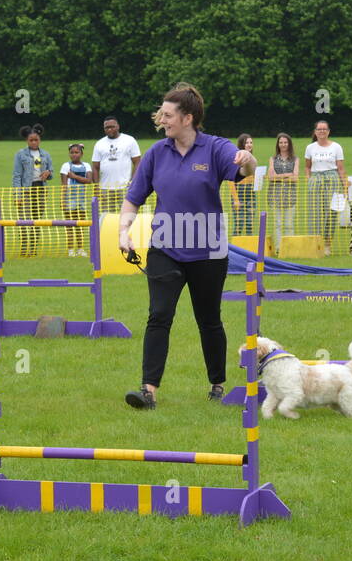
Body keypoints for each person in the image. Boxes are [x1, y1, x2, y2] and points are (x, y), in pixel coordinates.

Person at [118, 83, 256, 410]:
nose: (161, 120)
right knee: (159, 314)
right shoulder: (155, 153)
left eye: (168, 115)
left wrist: (248, 159)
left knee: (208, 318)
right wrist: (123, 231)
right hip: (165, 246)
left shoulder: (215, 148)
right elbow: (133, 198)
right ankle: (148, 390)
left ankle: (218, 384)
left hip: (208, 249)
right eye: (162, 114)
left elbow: (244, 170)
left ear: (188, 118)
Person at [304, 120, 346, 256]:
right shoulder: (310, 147)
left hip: (332, 179)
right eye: (319, 129)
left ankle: (327, 244)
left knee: (331, 212)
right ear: (315, 132)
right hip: (315, 179)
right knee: (314, 212)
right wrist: (308, 178)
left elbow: (340, 168)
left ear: (328, 131)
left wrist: (344, 185)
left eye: (324, 129)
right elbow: (307, 166)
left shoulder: (336, 147)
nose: (322, 131)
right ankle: (315, 243)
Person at [11, 124, 53, 257]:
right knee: (24, 220)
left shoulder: (45, 154)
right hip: (26, 190)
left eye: (36, 140)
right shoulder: (20, 154)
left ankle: (34, 248)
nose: (34, 142)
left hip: (40, 189)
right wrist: (18, 194)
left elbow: (51, 172)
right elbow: (17, 175)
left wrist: (48, 173)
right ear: (26, 140)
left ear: (40, 139)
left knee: (37, 220)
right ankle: (24, 248)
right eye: (31, 140)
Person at [91, 115, 142, 214]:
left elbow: (137, 162)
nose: (110, 129)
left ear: (118, 126)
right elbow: (95, 167)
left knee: (128, 216)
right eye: (107, 127)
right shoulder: (99, 144)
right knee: (107, 218)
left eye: (112, 126)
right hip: (106, 189)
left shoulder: (129, 140)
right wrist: (97, 186)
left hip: (125, 188)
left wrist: (132, 182)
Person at [265, 133, 299, 254]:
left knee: (289, 224)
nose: (283, 144)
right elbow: (270, 177)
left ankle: (289, 248)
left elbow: (295, 178)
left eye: (285, 142)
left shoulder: (295, 159)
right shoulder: (272, 159)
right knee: (277, 224)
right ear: (278, 144)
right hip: (275, 195)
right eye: (281, 142)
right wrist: (288, 174)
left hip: (290, 196)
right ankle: (279, 248)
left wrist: (278, 176)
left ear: (289, 144)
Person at [59, 143, 92, 257]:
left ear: (81, 153)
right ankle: (71, 249)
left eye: (76, 152)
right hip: (69, 199)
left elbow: (89, 180)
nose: (74, 155)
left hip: (81, 200)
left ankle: (80, 248)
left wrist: (75, 177)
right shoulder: (65, 166)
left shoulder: (87, 166)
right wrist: (62, 200)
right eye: (72, 152)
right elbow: (63, 185)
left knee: (80, 225)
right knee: (69, 225)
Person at [229, 134, 258, 237]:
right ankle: (236, 250)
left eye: (251, 142)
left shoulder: (253, 159)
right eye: (247, 142)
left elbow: (254, 177)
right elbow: (231, 181)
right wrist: (236, 199)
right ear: (242, 144)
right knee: (239, 224)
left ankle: (249, 249)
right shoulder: (237, 158)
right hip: (239, 192)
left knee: (250, 223)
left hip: (251, 193)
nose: (249, 145)